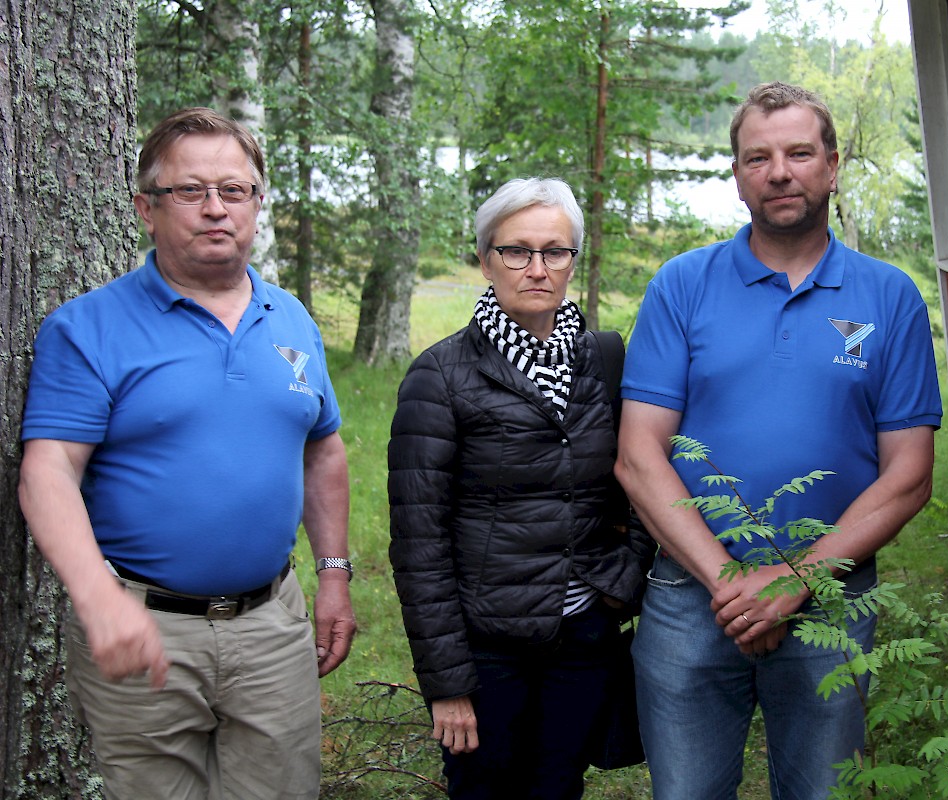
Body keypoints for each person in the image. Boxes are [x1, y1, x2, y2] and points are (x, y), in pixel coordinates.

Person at [614, 82, 943, 799]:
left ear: (832, 165)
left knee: (824, 793)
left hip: (831, 595)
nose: (779, 171)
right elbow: (639, 456)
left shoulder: (889, 297)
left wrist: (794, 583)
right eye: (757, 157)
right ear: (737, 176)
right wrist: (732, 584)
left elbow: (910, 475)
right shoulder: (682, 286)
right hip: (688, 595)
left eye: (798, 152)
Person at [18, 107, 356, 800]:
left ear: (258, 204)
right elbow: (49, 470)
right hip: (147, 630)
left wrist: (333, 575)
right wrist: (98, 602)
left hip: (273, 626)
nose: (214, 210)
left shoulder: (290, 319)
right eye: (189, 192)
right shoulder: (88, 328)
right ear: (146, 208)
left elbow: (322, 450)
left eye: (234, 191)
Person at [388, 177, 653, 800]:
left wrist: (622, 582)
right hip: (487, 649)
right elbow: (418, 542)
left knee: (558, 789)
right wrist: (447, 682)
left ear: (572, 261)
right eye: (517, 251)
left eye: (554, 251)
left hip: (583, 637)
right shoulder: (440, 376)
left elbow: (645, 476)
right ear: (486, 259)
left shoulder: (607, 361)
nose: (537, 268)